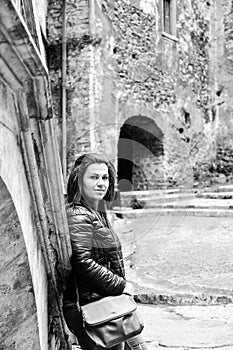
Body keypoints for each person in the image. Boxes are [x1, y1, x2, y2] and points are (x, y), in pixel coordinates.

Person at [63, 153, 147, 350]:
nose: (101, 183)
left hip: (110, 302)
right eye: (94, 177)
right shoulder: (78, 214)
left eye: (105, 177)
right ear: (78, 180)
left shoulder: (96, 211)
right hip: (95, 309)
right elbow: (83, 263)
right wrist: (121, 285)